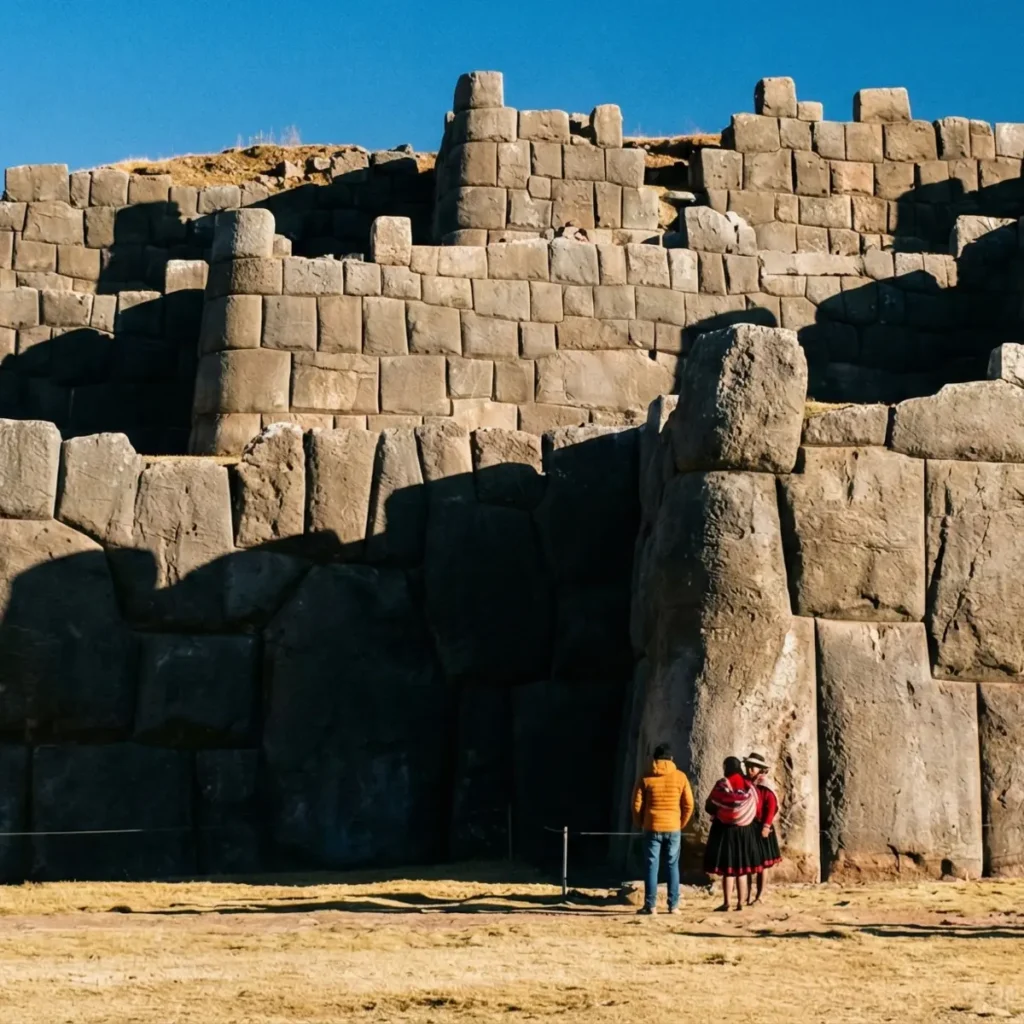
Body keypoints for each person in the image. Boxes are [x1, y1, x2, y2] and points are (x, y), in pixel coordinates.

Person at [632, 742, 695, 916]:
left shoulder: (645, 776)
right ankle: (673, 906)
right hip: (673, 826)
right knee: (672, 865)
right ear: (671, 758)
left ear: (654, 758)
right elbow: (689, 804)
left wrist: (640, 823)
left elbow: (636, 804)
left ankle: (650, 906)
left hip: (651, 826)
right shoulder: (680, 777)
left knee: (651, 866)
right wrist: (681, 823)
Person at [703, 756, 761, 911]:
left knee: (728, 869)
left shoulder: (723, 783)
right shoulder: (749, 784)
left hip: (725, 830)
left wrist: (722, 812)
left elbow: (710, 805)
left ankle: (727, 903)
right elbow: (757, 805)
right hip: (745, 831)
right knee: (742, 869)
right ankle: (741, 902)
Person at [744, 752, 781, 905]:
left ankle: (760, 895)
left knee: (762, 864)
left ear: (760, 769)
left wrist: (766, 826)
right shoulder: (746, 784)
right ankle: (746, 896)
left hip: (762, 827)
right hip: (748, 826)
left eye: (753, 767)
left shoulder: (765, 786)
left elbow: (771, 807)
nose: (749, 770)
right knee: (747, 863)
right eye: (748, 766)